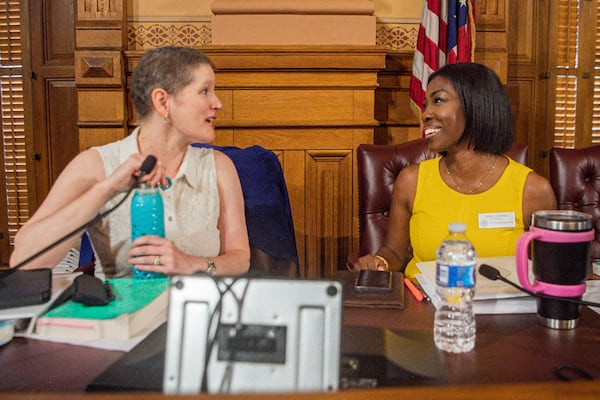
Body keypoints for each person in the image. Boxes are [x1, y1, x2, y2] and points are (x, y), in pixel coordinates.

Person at [10, 46, 250, 277]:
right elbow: (24, 261)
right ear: (163, 102)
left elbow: (240, 258)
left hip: (197, 312)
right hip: (119, 315)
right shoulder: (94, 164)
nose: (218, 103)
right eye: (205, 91)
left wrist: (191, 264)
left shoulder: (219, 166)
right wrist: (107, 189)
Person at [352, 62, 557, 278]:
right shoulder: (411, 180)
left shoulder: (533, 190)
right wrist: (379, 261)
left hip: (500, 309)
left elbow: (550, 273)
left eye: (438, 101)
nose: (425, 114)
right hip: (423, 307)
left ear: (475, 104)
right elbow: (394, 252)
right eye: (426, 105)